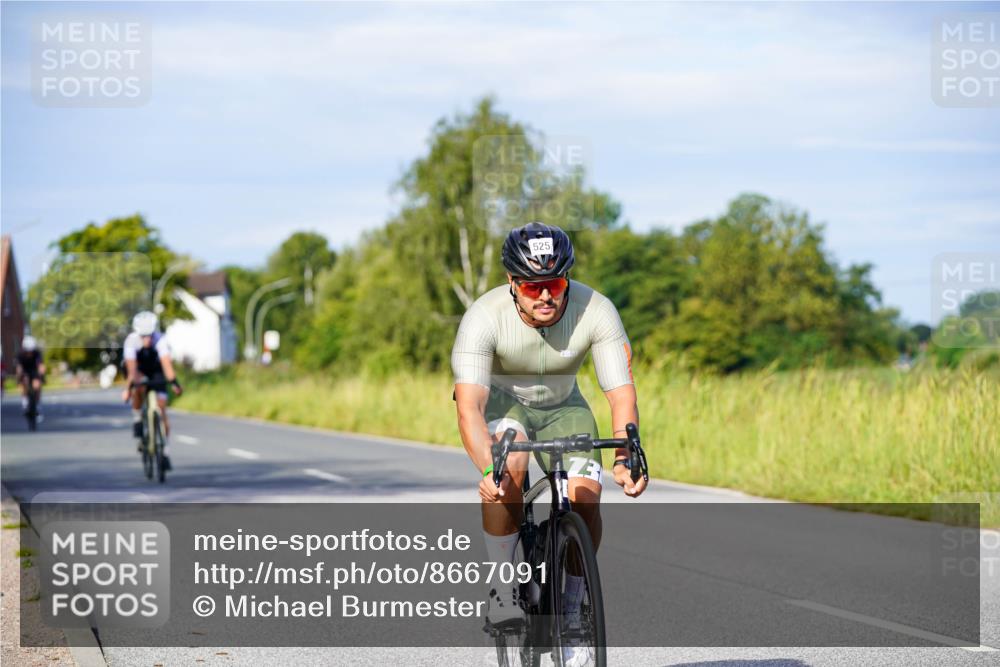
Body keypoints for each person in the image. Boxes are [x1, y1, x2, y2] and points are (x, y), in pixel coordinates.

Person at [451, 222, 647, 665]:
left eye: (555, 284)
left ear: (567, 280)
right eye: (534, 286)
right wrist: (489, 470)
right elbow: (470, 408)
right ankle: (504, 590)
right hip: (505, 404)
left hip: (565, 407)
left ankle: (575, 605)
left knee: (586, 497)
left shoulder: (596, 309)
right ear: (512, 283)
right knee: (508, 471)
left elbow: (620, 391)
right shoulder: (483, 317)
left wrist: (623, 454)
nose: (546, 297)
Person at [121, 311, 182, 468]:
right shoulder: (131, 342)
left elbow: (167, 365)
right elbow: (132, 370)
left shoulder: (161, 340)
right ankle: (137, 418)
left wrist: (174, 383)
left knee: (162, 408)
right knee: (138, 388)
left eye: (149, 335)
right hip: (138, 369)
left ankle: (165, 452)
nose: (147, 339)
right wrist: (128, 389)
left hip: (156, 370)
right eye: (143, 336)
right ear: (137, 333)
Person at [15, 336, 45, 419]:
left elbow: (41, 365)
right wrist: (19, 378)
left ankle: (37, 405)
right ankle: (25, 402)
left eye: (31, 351)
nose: (30, 353)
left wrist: (41, 376)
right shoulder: (20, 355)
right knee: (24, 382)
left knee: (37, 385)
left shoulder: (37, 353)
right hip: (25, 371)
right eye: (28, 351)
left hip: (34, 371)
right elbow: (19, 368)